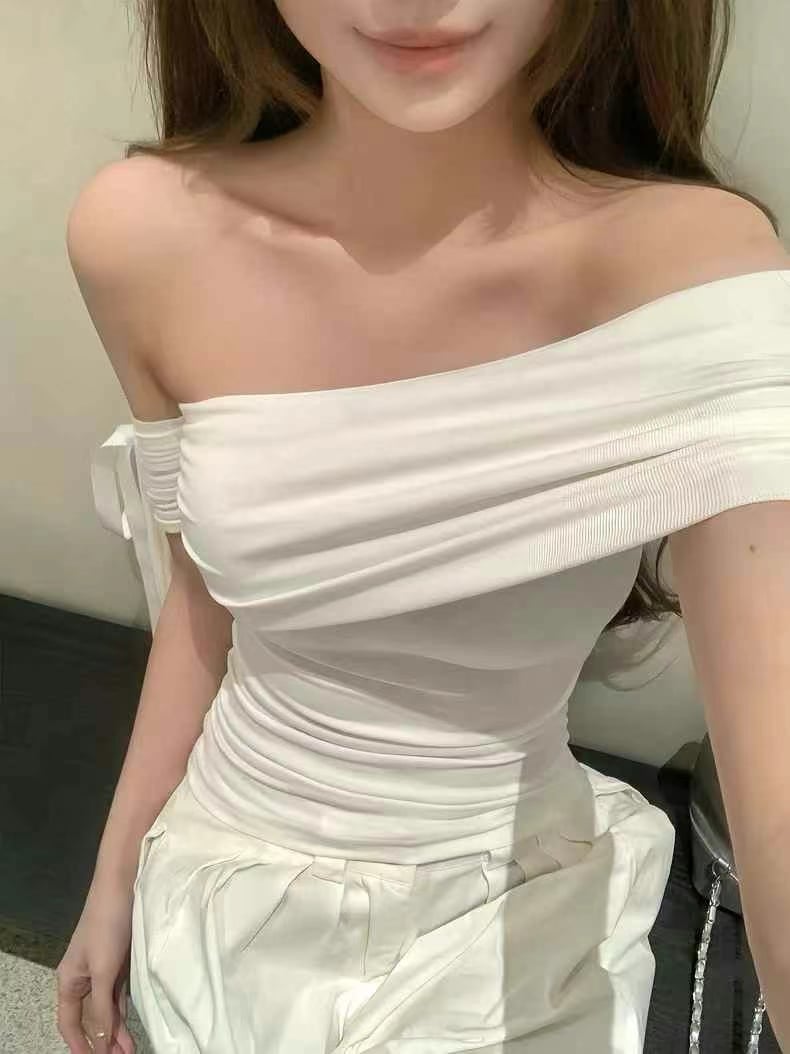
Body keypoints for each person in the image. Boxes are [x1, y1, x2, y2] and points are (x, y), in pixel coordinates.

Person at [57, 1, 790, 1051]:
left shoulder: (697, 276)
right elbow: (205, 599)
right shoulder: (141, 235)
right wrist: (115, 872)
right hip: (217, 883)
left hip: (503, 926)